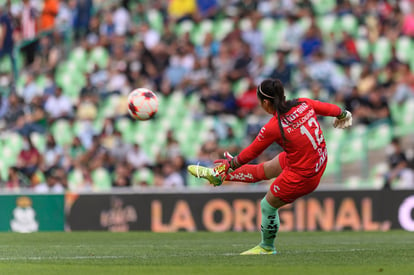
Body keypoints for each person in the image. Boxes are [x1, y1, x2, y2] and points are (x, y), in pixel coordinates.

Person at [188, 79, 352, 255]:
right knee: (262, 170)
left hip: (304, 174)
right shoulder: (303, 103)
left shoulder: (274, 126)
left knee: (268, 205)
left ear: (265, 102)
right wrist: (343, 114)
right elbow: (328, 108)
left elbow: (251, 153)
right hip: (312, 158)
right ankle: (217, 175)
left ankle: (267, 247)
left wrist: (230, 164)